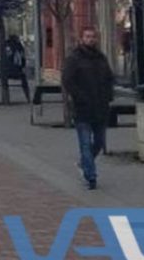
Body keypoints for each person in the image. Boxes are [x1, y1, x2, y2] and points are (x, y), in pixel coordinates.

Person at [61, 27, 114, 191]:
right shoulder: (74, 58)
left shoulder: (101, 58)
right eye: (87, 36)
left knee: (99, 142)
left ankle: (84, 163)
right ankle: (91, 176)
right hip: (82, 108)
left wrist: (108, 96)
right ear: (81, 38)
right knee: (85, 143)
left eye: (93, 37)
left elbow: (109, 78)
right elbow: (67, 80)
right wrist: (79, 97)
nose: (90, 39)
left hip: (100, 107)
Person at [4, 34, 31, 100]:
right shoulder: (19, 46)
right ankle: (28, 97)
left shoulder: (5, 45)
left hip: (5, 70)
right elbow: (22, 58)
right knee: (24, 79)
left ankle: (5, 97)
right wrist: (22, 66)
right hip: (16, 70)